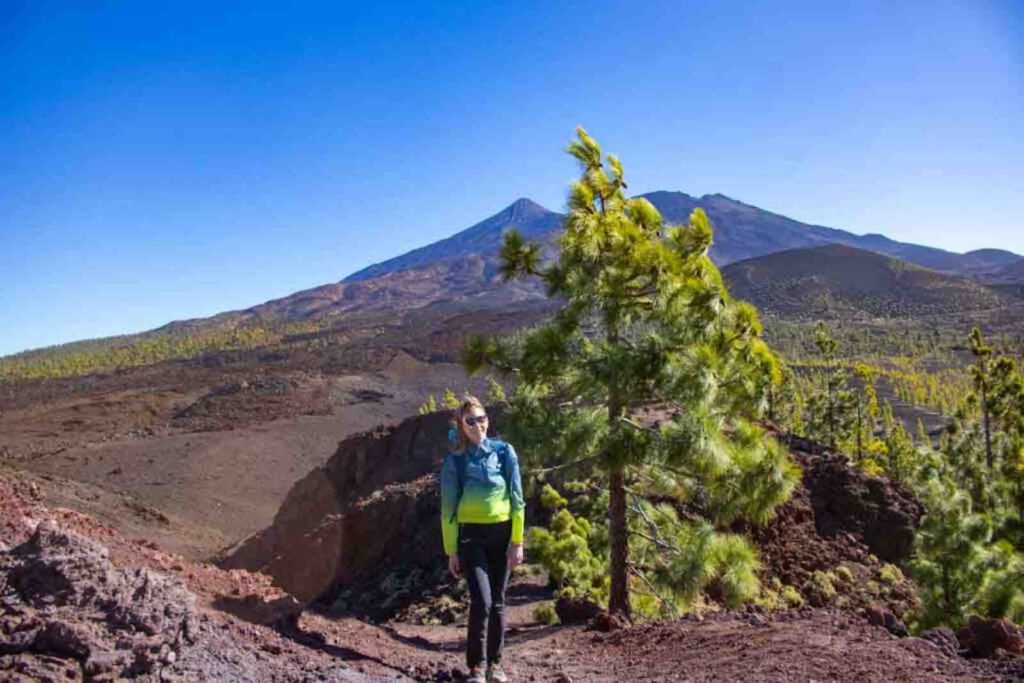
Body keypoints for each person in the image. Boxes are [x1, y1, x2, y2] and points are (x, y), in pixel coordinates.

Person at [440, 396, 525, 683]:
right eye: (471, 421)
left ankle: (496, 666)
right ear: (461, 427)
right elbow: (448, 510)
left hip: (501, 536)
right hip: (471, 539)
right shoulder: (456, 462)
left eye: (482, 418)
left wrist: (517, 541)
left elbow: (517, 500)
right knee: (482, 601)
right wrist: (451, 550)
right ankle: (477, 667)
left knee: (498, 602)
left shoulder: (504, 452)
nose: (479, 425)